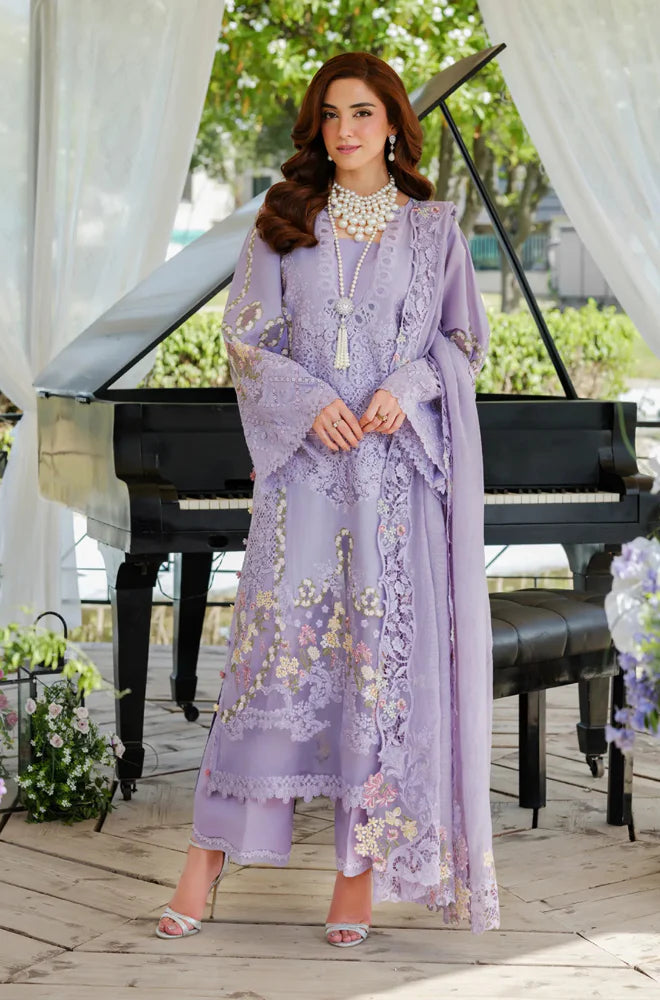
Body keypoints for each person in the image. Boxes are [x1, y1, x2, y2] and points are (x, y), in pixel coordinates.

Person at [157, 50, 499, 946]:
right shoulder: (283, 223)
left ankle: (358, 875)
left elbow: (464, 342)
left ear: (392, 125)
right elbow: (246, 341)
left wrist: (411, 386)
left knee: (375, 676)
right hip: (304, 484)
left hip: (392, 489)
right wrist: (310, 404)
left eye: (362, 113)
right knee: (268, 667)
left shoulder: (434, 231)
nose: (345, 130)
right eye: (331, 115)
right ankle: (206, 860)